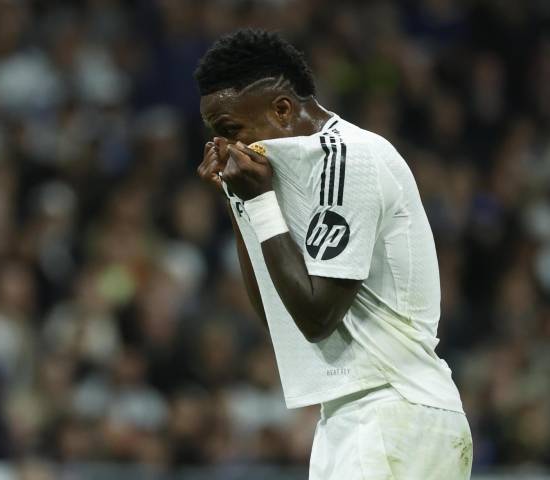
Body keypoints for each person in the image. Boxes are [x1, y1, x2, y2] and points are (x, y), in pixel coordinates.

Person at [194, 29, 472, 479]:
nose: (227, 149)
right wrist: (237, 198)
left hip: (393, 411)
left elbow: (317, 316)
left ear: (282, 109)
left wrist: (261, 202)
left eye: (231, 131)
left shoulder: (351, 158)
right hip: (351, 418)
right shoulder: (301, 173)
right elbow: (281, 314)